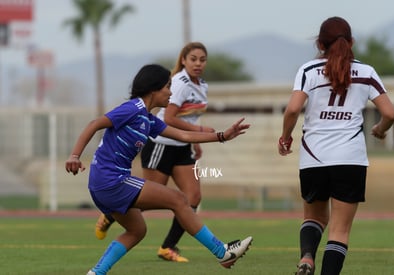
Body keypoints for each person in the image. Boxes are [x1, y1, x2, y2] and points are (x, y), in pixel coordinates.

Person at [65, 64, 253, 275]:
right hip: (111, 181)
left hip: (104, 185)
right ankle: (222, 252)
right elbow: (94, 123)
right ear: (153, 89)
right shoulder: (132, 108)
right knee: (179, 200)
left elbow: (184, 136)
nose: (171, 92)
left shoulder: (148, 119)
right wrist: (74, 156)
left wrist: (222, 136)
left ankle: (96, 273)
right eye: (167, 86)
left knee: (137, 231)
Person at [277, 17, 394, 275]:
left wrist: (286, 136)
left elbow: (293, 109)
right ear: (351, 42)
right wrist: (380, 129)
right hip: (350, 159)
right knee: (339, 231)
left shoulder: (308, 70)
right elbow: (390, 113)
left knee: (314, 218)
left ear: (319, 43)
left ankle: (307, 258)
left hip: (313, 158)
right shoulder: (366, 72)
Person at [94, 42, 215, 263]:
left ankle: (168, 247)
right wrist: (74, 156)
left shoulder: (202, 85)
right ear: (183, 60)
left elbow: (189, 120)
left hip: (181, 146)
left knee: (192, 197)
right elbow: (168, 118)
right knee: (152, 197)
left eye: (202, 59)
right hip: (161, 143)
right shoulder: (177, 83)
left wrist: (201, 140)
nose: (198, 63)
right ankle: (112, 213)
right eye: (193, 59)